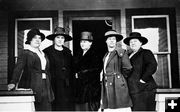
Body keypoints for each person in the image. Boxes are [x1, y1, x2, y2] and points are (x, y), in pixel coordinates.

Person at [8, 28, 54, 111]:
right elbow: (18, 68)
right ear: (29, 40)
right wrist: (13, 82)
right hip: (32, 83)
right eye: (34, 38)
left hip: (46, 84)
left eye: (39, 38)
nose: (37, 40)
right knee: (34, 107)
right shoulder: (26, 52)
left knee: (46, 107)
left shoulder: (43, 54)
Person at [123, 32, 158, 111]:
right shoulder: (128, 55)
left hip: (144, 90)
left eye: (135, 41)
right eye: (131, 42)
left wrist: (142, 80)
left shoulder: (146, 52)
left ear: (141, 43)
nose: (132, 43)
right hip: (132, 90)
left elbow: (152, 66)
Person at [100, 30, 133, 112]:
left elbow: (128, 68)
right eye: (109, 39)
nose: (111, 41)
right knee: (109, 107)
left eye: (113, 39)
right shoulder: (106, 55)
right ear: (106, 41)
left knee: (120, 108)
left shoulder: (121, 52)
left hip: (117, 86)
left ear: (116, 41)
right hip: (107, 85)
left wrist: (119, 79)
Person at [43, 27, 75, 111]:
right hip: (54, 86)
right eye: (58, 37)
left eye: (62, 38)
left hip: (67, 86)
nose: (60, 40)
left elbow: (72, 68)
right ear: (54, 38)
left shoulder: (68, 52)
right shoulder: (47, 52)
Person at [74, 31, 103, 111]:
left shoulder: (95, 54)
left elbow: (96, 70)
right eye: (81, 42)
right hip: (79, 90)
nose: (82, 44)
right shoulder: (78, 54)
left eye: (85, 42)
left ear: (90, 43)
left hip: (91, 92)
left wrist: (80, 74)